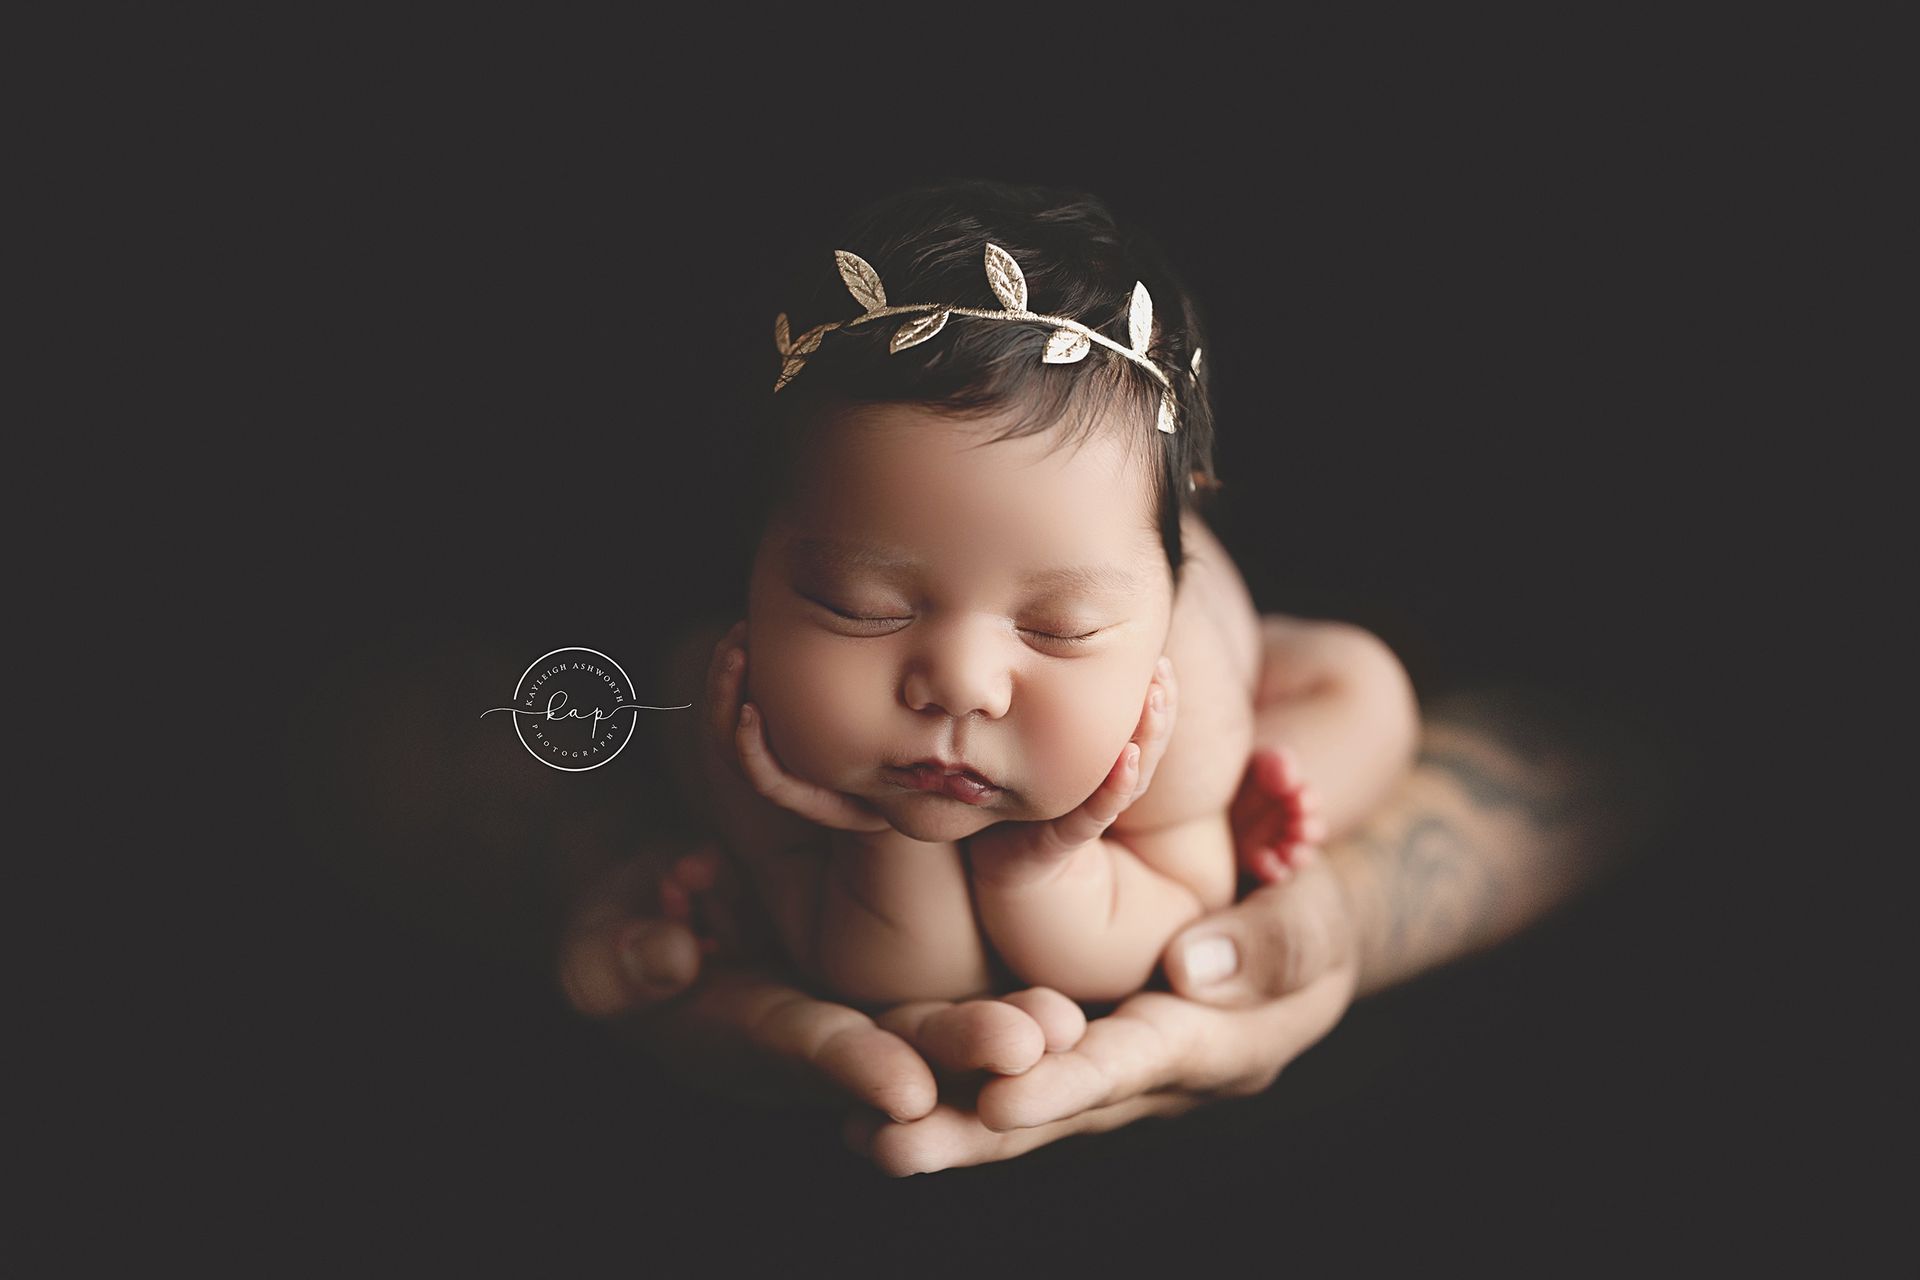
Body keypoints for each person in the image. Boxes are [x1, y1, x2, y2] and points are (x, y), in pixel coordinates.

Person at [620, 180, 1420, 1026]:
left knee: (1365, 690)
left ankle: (1239, 806)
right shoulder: (741, 712)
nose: (962, 685)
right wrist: (876, 839)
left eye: (1057, 629)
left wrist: (1040, 869)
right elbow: (897, 979)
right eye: (862, 606)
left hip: (1244, 701)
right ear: (758, 569)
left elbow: (1154, 941)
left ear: (1160, 623)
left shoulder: (1177, 706)